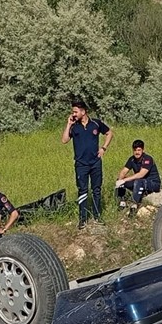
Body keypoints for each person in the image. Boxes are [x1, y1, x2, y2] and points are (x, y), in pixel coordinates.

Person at [61, 98, 113, 229]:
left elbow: (109, 133)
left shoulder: (95, 123)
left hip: (95, 163)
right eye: (73, 112)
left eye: (75, 111)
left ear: (83, 112)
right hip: (81, 164)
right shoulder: (74, 126)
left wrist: (103, 148)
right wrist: (68, 124)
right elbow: (64, 140)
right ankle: (82, 219)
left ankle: (97, 216)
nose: (73, 114)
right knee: (82, 191)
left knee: (96, 190)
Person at [114, 140, 161, 216]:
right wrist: (120, 180)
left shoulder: (147, 159)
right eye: (135, 150)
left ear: (143, 150)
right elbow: (123, 171)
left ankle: (134, 205)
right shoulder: (132, 159)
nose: (137, 152)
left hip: (152, 183)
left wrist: (124, 180)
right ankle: (122, 203)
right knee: (121, 181)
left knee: (138, 181)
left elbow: (141, 174)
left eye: (139, 150)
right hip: (139, 182)